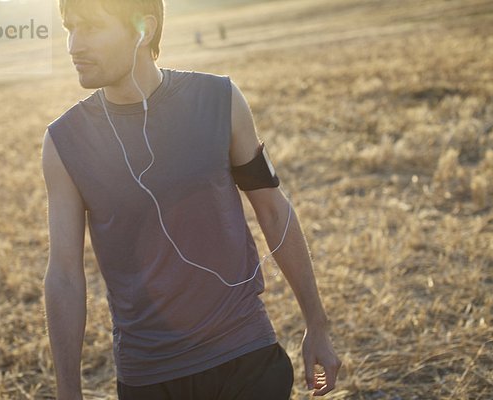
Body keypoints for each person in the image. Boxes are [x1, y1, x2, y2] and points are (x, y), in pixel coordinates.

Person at [42, 1, 341, 399]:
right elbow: (64, 273)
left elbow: (272, 208)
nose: (74, 45)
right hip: (150, 376)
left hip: (246, 356)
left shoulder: (219, 100)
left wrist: (316, 325)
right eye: (69, 27)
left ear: (143, 30)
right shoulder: (65, 142)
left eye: (92, 27)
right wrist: (68, 391)